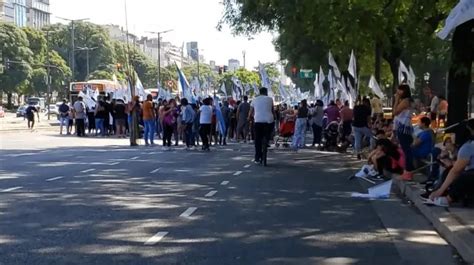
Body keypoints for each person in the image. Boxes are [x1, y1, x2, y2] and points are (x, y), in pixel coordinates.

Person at [428, 119, 474, 207]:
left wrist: (440, 190)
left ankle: (448, 198)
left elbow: (456, 171)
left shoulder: (468, 147)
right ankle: (440, 192)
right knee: (449, 171)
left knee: (463, 177)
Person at [394, 84, 415, 180]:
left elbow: (395, 112)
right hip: (404, 128)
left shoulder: (406, 101)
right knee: (406, 150)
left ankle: (408, 172)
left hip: (404, 129)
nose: (397, 92)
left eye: (399, 90)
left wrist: (396, 100)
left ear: (404, 91)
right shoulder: (406, 100)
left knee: (407, 150)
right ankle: (408, 171)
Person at [249, 87, 274, 164]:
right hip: (269, 121)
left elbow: (251, 112)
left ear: (260, 92)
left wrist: (249, 118)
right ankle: (268, 139)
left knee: (257, 140)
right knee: (270, 130)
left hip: (258, 121)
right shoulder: (270, 99)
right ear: (266, 92)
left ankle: (257, 157)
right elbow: (272, 110)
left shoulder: (254, 99)